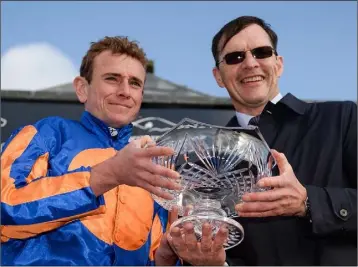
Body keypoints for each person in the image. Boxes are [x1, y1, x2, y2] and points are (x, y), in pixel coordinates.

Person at [1, 36, 228, 266]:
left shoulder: (154, 166)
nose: (125, 91)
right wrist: (107, 175)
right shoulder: (49, 133)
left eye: (135, 83)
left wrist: (167, 256)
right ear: (82, 88)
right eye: (112, 79)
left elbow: (156, 258)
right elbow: (5, 208)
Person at [211, 16, 357, 265]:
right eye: (235, 57)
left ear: (278, 64)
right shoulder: (209, 156)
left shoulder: (341, 118)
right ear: (219, 77)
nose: (250, 63)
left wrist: (308, 202)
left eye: (261, 52)